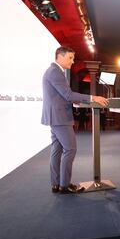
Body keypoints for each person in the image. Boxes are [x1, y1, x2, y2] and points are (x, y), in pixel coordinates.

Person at [41, 46, 108, 194]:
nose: (72, 62)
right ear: (60, 56)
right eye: (70, 58)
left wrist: (73, 100)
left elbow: (62, 96)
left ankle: (56, 184)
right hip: (60, 118)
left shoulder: (53, 71)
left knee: (57, 150)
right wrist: (93, 97)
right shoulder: (55, 72)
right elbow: (68, 95)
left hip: (56, 116)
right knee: (70, 149)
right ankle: (64, 185)